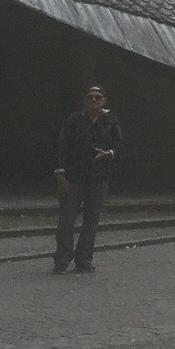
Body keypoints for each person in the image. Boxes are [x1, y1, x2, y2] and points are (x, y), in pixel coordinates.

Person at [53, 85, 122, 275]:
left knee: (91, 221)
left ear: (104, 101)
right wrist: (61, 175)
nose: (93, 100)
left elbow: (119, 146)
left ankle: (83, 260)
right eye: (90, 97)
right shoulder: (74, 121)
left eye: (97, 97)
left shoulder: (110, 121)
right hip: (74, 178)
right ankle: (62, 260)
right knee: (67, 220)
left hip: (99, 179)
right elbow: (62, 147)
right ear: (84, 100)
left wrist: (109, 153)